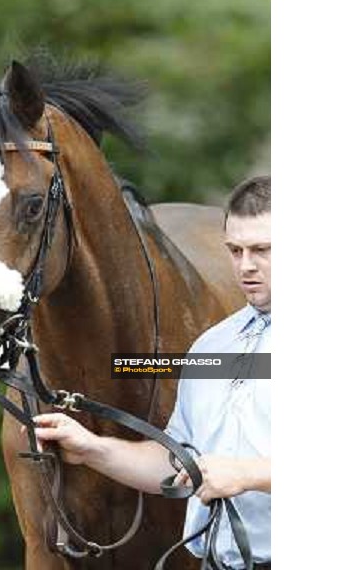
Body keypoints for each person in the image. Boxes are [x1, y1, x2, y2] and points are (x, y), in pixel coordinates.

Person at [32, 175, 272, 569]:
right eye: (235, 250)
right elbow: (173, 460)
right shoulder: (212, 347)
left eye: (262, 250)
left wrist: (248, 473)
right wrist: (93, 448)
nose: (245, 266)